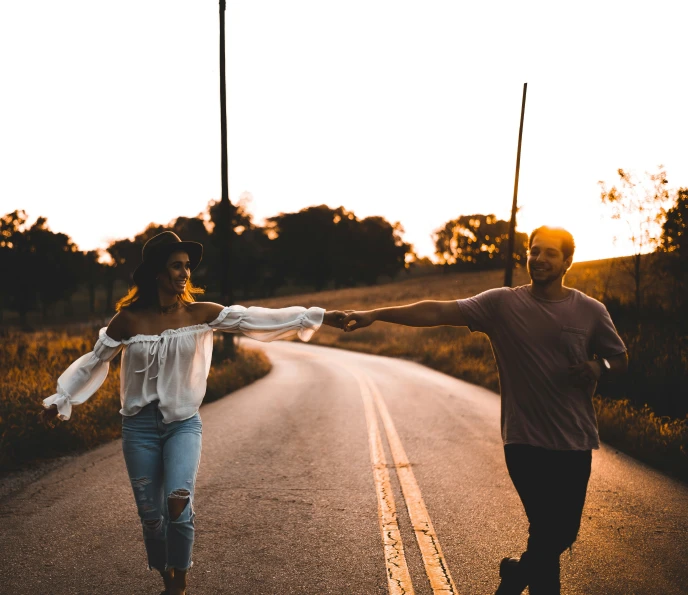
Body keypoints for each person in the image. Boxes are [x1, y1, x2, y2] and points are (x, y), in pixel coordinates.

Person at [40, 231, 345, 595]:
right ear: (156, 272)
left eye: (187, 266)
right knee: (152, 518)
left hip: (183, 424)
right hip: (139, 430)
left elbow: (255, 319)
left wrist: (318, 317)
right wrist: (62, 399)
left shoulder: (202, 314)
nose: (185, 273)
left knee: (177, 501)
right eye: (176, 266)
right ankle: (164, 570)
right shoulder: (127, 320)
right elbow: (94, 362)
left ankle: (179, 581)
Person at [342, 226, 628, 595]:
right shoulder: (502, 304)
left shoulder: (590, 311)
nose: (539, 259)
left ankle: (514, 576)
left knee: (563, 534)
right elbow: (436, 311)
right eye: (534, 251)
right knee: (544, 530)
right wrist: (376, 313)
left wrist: (596, 368)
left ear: (568, 261)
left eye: (550, 253)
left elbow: (618, 360)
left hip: (575, 440)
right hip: (524, 440)